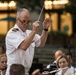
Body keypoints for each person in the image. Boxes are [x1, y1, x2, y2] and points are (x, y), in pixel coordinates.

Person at [5, 8, 51, 75]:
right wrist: (34, 31)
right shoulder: (12, 33)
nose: (26, 24)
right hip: (14, 72)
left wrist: (45, 29)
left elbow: (41, 43)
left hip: (25, 72)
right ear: (17, 20)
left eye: (28, 21)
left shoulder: (29, 33)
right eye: (23, 21)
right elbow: (24, 46)